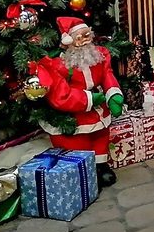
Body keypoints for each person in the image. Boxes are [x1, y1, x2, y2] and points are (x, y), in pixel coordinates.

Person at [32, 17, 125, 187]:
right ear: (67, 41)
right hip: (75, 113)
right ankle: (84, 170)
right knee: (78, 142)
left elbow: (107, 74)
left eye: (87, 36)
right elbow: (60, 95)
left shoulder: (100, 54)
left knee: (101, 136)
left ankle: (101, 166)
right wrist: (88, 99)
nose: (84, 41)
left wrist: (113, 95)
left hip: (99, 109)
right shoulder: (58, 65)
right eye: (79, 38)